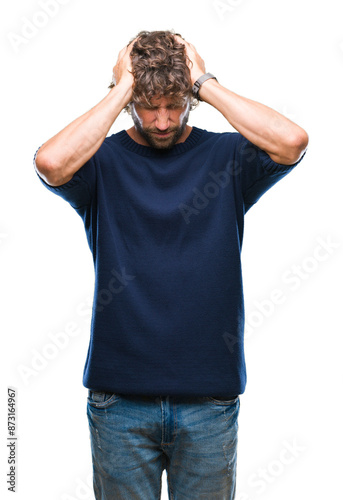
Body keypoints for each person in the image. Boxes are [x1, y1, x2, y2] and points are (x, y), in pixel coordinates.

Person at [33, 30, 308, 500]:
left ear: (189, 100)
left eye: (174, 104)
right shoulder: (100, 164)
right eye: (147, 105)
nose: (161, 121)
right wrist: (122, 86)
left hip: (209, 400)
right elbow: (51, 162)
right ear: (129, 103)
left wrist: (203, 80)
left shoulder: (227, 158)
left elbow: (292, 141)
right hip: (119, 402)